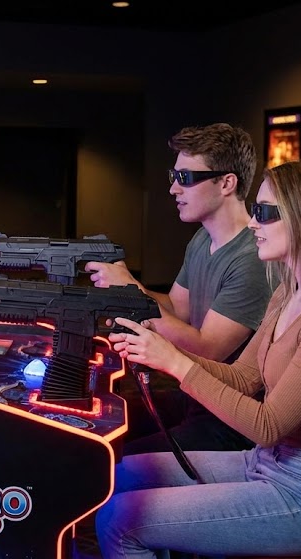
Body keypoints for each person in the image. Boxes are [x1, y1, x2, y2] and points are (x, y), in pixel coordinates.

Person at [94, 158, 301, 559]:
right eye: (255, 211)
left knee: (122, 519)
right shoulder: (288, 292)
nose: (253, 223)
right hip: (264, 463)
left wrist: (176, 363)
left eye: (266, 213)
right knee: (119, 476)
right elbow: (243, 377)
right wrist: (158, 352)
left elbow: (268, 425)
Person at [85, 123, 273, 455]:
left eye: (185, 178)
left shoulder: (251, 259)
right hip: (194, 397)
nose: (173, 189)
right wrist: (131, 284)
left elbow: (207, 349)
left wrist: (132, 290)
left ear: (227, 182)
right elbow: (177, 308)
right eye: (174, 176)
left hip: (230, 418)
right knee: (96, 431)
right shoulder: (204, 238)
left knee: (117, 459)